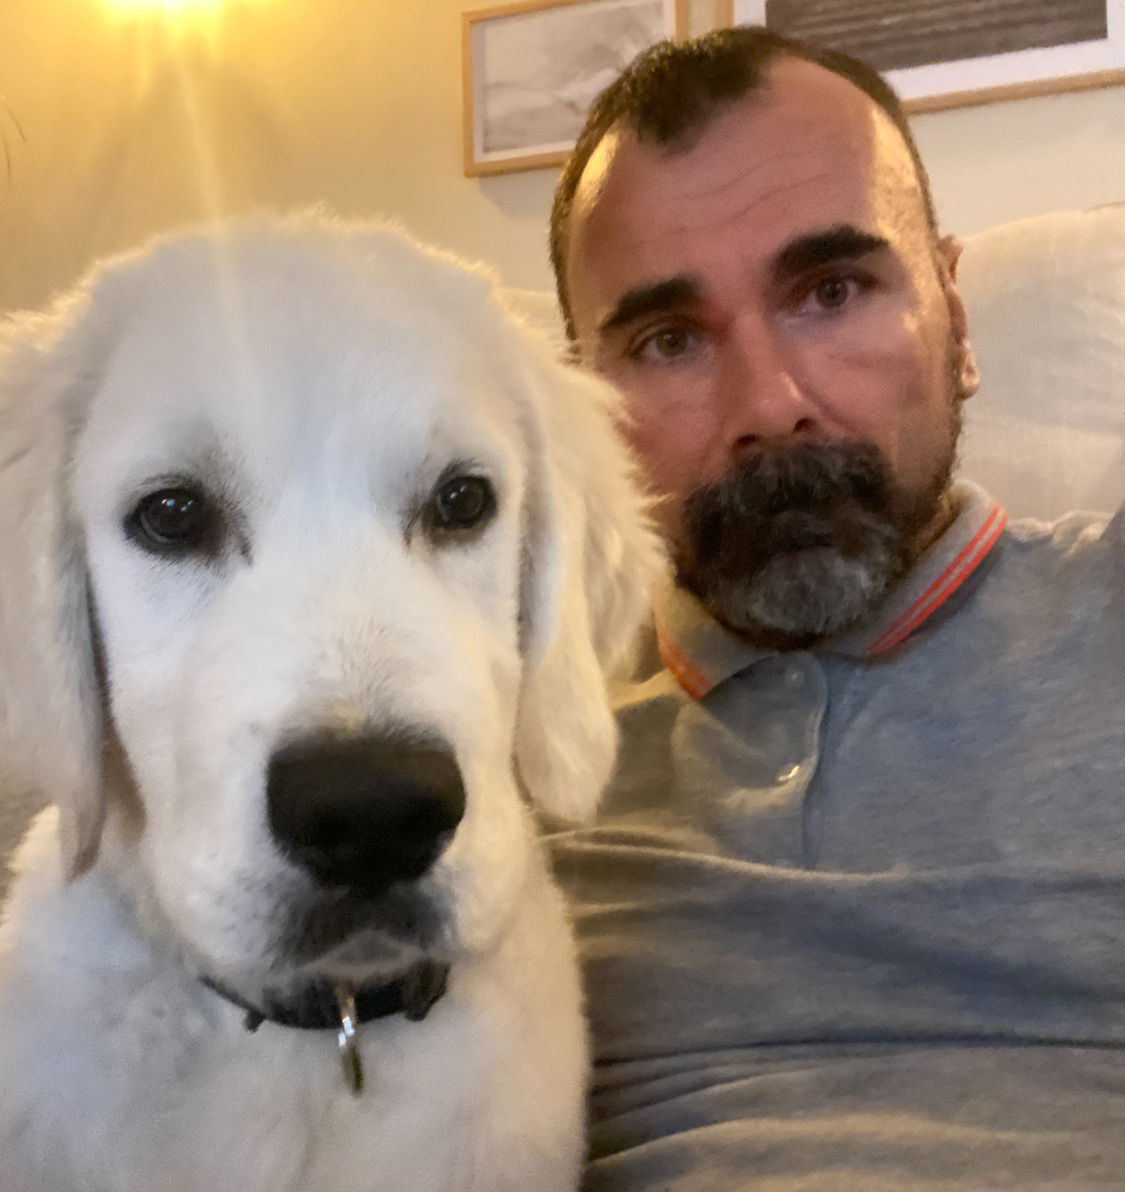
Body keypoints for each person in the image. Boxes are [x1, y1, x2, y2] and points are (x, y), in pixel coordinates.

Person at [547, 25, 1125, 1191]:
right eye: (669, 340)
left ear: (956, 317)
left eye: (832, 290)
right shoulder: (500, 749)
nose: (770, 405)